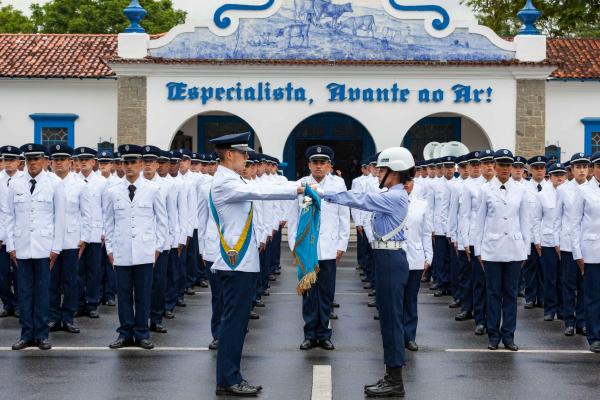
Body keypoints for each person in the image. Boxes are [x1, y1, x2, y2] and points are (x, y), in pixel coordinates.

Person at [209, 132, 305, 396]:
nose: (247, 158)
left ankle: (232, 376)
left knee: (238, 324)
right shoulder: (226, 183)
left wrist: (299, 185)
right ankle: (228, 380)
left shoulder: (233, 179)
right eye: (243, 154)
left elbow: (262, 188)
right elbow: (261, 191)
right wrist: (297, 189)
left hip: (241, 263)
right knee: (233, 324)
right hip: (234, 263)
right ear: (230, 154)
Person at [322, 147, 414, 398]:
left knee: (392, 320)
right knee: (387, 318)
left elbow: (360, 200)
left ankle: (395, 379)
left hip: (390, 260)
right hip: (386, 258)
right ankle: (391, 375)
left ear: (395, 172)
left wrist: (325, 193)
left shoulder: (394, 197)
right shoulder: (391, 193)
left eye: (382, 170)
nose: (377, 174)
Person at [103, 144, 168, 350]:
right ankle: (125, 332)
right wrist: (110, 250)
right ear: (121, 165)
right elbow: (109, 223)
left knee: (142, 295)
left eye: (133, 162)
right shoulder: (113, 191)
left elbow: (162, 221)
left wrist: (157, 247)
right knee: (123, 295)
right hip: (121, 251)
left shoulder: (153, 189)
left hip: (145, 250)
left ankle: (142, 333)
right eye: (126, 162)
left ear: (140, 164)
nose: (129, 166)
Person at [288, 145, 349, 351]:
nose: (319, 167)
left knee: (326, 294)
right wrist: (294, 247)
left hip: (329, 247)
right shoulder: (301, 184)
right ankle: (309, 334)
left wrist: (342, 244)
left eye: (323, 163)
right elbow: (293, 217)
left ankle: (324, 334)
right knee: (308, 294)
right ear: (309, 165)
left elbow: (343, 216)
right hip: (307, 248)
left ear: (329, 165)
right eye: (315, 163)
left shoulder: (338, 184)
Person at [4, 143, 66, 350]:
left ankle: (41, 334)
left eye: (36, 158)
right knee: (24, 292)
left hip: (44, 246)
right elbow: (8, 217)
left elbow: (60, 218)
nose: (32, 163)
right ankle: (26, 334)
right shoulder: (15, 183)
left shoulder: (55, 183)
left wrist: (56, 248)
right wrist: (10, 245)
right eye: (29, 159)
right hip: (21, 246)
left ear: (45, 161)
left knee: (42, 292)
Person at [473, 149, 529, 351]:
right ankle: (493, 335)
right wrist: (477, 249)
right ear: (495, 166)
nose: (505, 169)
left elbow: (525, 221)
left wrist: (526, 249)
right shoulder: (486, 190)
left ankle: (508, 336)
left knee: (511, 294)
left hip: (514, 249)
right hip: (492, 248)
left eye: (509, 165)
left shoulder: (521, 190)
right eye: (502, 165)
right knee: (493, 293)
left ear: (513, 167)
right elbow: (479, 221)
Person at [48, 144, 86, 334]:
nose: (59, 163)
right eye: (56, 160)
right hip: (50, 240)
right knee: (51, 281)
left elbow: (85, 213)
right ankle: (53, 317)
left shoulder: (79, 184)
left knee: (71, 281)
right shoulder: (46, 182)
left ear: (70, 162)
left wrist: (84, 238)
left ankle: (68, 317)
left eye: (62, 160)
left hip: (72, 239)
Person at [555, 153, 589, 337]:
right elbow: (557, 218)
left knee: (585, 285)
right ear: (572, 170)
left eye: (585, 166)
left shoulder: (593, 190)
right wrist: (557, 242)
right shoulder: (563, 190)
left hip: (587, 245)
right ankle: (569, 320)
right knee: (568, 283)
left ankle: (582, 321)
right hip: (568, 243)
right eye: (578, 167)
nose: (582, 170)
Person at [571, 151, 600, 353]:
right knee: (593, 297)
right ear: (593, 169)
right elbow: (574, 224)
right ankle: (594, 336)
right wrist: (577, 253)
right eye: (599, 166)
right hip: (592, 251)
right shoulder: (583, 191)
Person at [533, 163, 567, 322]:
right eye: (555, 174)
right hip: (547, 242)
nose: (559, 177)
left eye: (561, 174)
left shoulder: (571, 193)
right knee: (550, 278)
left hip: (566, 241)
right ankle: (550, 309)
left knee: (564, 278)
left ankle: (563, 309)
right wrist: (537, 240)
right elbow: (536, 219)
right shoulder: (542, 195)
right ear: (550, 177)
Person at [402, 175, 433, 352]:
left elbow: (426, 232)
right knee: (396, 300)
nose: (406, 184)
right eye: (402, 180)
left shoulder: (422, 204)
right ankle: (397, 335)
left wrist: (428, 256)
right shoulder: (390, 200)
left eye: (408, 181)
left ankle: (410, 336)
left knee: (411, 299)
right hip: (395, 257)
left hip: (415, 257)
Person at [76, 147, 105, 319]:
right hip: (78, 235)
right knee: (78, 271)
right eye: (81, 159)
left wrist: (103, 231)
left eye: (87, 159)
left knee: (94, 270)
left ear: (94, 162)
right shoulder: (74, 181)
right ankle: (79, 303)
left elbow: (105, 209)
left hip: (95, 233)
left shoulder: (102, 182)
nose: (84, 162)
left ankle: (92, 303)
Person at [522, 155, 549, 310]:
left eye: (542, 168)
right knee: (530, 268)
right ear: (531, 170)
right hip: (529, 235)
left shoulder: (550, 187)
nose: (539, 171)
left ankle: (543, 297)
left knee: (544, 269)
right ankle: (530, 297)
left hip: (545, 236)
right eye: (536, 168)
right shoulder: (525, 188)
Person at [0, 145, 23, 319]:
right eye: (5, 159)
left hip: (19, 236)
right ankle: (7, 304)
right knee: (2, 275)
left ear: (19, 162)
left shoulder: (24, 180)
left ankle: (18, 305)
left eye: (11, 160)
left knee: (19, 274)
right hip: (1, 235)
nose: (8, 163)